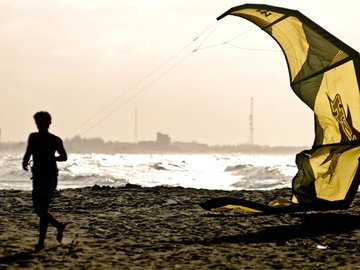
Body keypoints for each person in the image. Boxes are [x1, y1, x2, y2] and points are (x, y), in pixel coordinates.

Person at [22, 111, 68, 252]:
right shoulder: (33, 137)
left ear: (48, 123)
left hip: (50, 177)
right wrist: (24, 162)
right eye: (37, 123)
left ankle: (41, 242)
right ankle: (58, 226)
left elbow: (64, 157)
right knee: (38, 209)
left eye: (40, 122)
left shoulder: (55, 140)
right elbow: (29, 151)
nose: (38, 125)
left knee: (42, 209)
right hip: (37, 176)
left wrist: (52, 158)